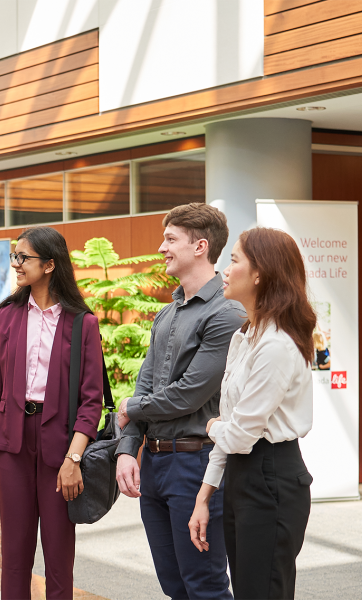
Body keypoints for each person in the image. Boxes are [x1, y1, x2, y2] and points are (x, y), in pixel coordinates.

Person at [115, 203, 244, 600]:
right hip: (154, 465)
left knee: (204, 586)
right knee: (174, 586)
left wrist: (129, 409)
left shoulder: (228, 312)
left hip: (196, 465)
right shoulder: (166, 315)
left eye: (170, 239)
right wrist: (126, 449)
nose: (161, 247)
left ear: (200, 246)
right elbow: (146, 385)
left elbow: (190, 392)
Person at [0, 227, 104, 600]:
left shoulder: (83, 323)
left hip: (60, 446)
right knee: (14, 554)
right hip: (12, 444)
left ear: (49, 264)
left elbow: (91, 401)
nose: (16, 264)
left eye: (23, 257)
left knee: (59, 557)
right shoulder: (6, 317)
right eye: (14, 256)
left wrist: (73, 458)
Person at [189, 228, 315, 599]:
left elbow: (238, 432)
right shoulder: (245, 337)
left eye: (234, 260)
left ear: (259, 273)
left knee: (263, 591)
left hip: (271, 475)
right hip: (245, 476)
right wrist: (204, 495)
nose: (225, 271)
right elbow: (234, 425)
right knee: (248, 589)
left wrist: (211, 426)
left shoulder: (276, 345)